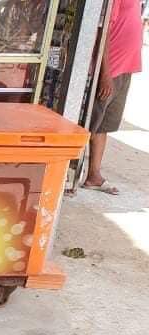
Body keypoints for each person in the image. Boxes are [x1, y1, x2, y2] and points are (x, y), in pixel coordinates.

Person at [84, 0, 143, 195]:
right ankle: (69, 173)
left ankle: (93, 175)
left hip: (125, 68)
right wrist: (105, 74)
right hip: (110, 70)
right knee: (90, 123)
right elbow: (103, 31)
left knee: (104, 126)